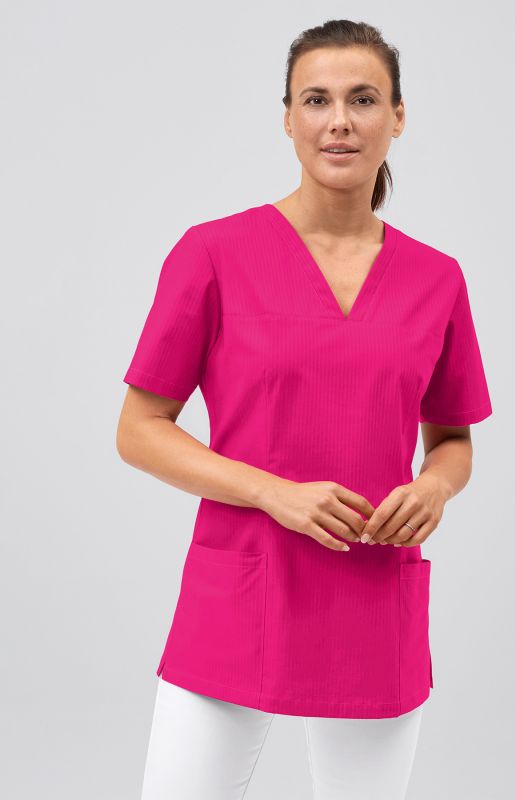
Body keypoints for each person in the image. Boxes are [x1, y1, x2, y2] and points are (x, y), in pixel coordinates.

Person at [116, 18, 493, 800]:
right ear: (287, 118)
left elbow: (452, 438)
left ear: (398, 116)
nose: (340, 121)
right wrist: (272, 493)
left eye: (364, 99)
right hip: (241, 589)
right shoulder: (212, 254)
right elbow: (139, 431)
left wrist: (434, 487)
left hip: (372, 591)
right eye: (316, 100)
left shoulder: (437, 279)